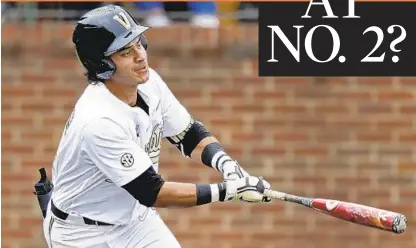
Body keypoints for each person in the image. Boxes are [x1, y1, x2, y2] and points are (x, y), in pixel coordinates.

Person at [42, 4, 271, 248]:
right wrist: (227, 191)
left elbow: (189, 135)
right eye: (125, 52)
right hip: (81, 233)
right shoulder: (98, 120)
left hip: (134, 221)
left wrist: (227, 165)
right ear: (102, 65)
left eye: (139, 44)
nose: (140, 56)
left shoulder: (149, 83)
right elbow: (152, 192)